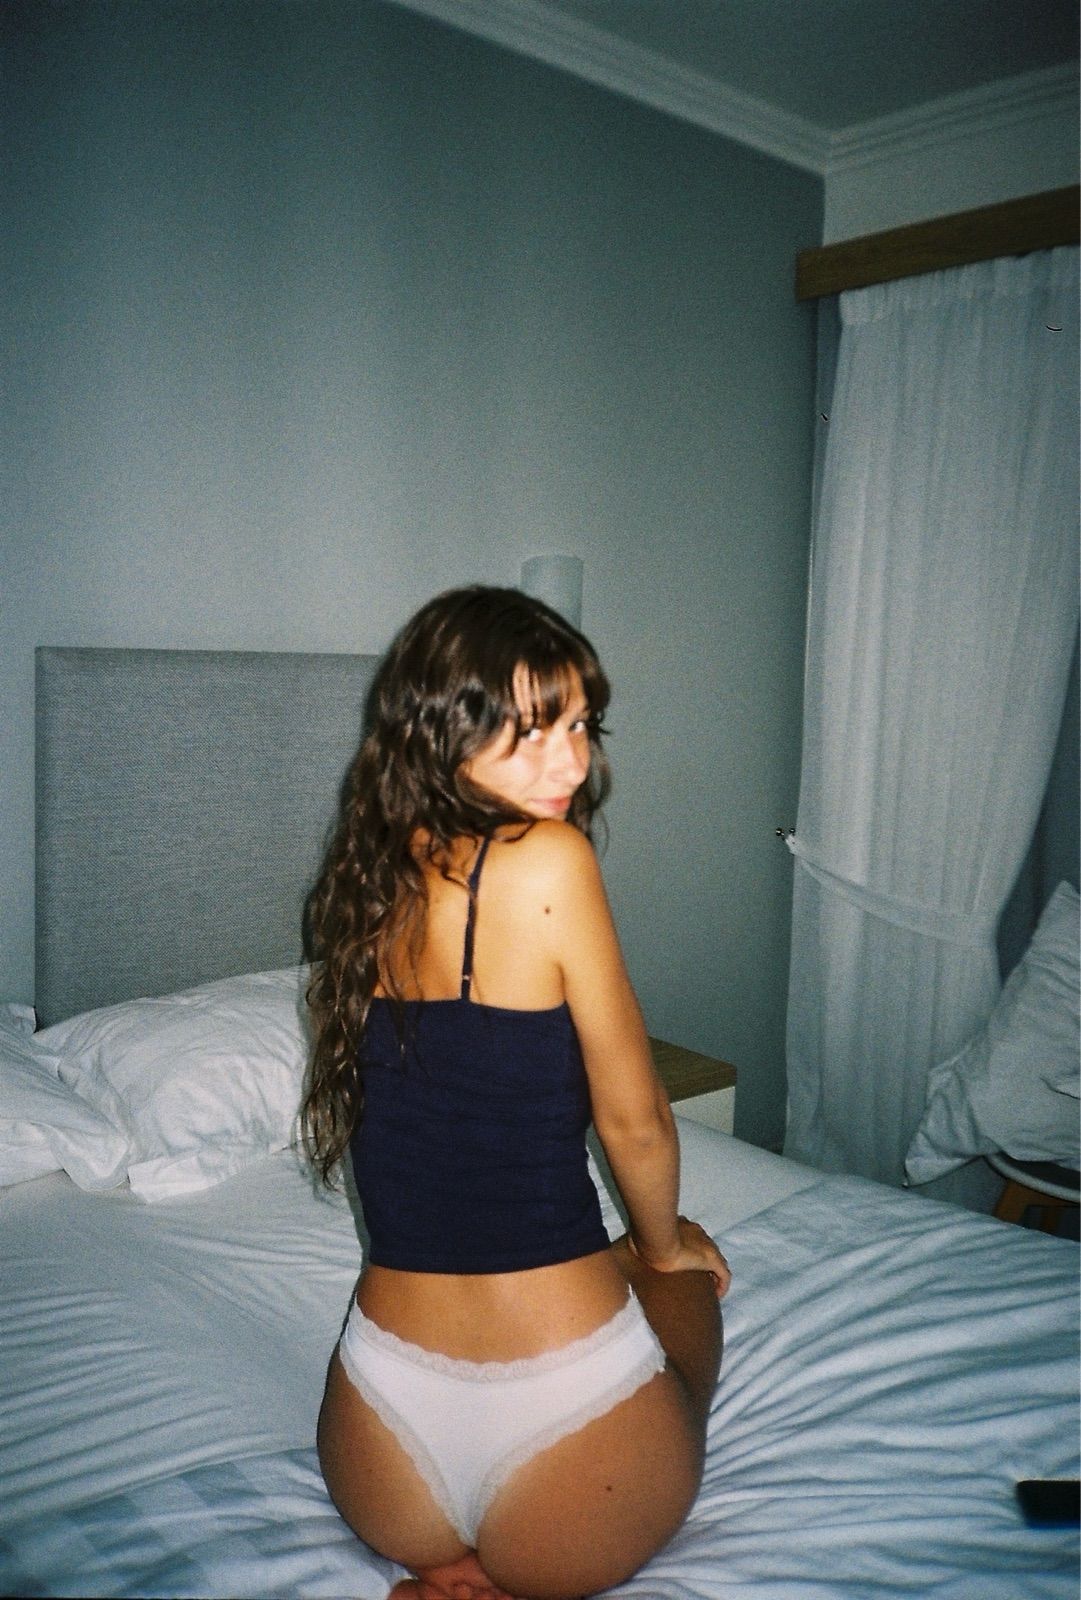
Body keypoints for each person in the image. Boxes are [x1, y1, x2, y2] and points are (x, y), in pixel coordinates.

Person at [302, 586, 729, 1600]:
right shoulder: (550, 859)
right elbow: (636, 1119)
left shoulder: (367, 874)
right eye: (531, 733)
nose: (569, 765)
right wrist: (661, 1247)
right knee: (686, 1276)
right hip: (569, 1442)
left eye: (579, 726)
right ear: (441, 733)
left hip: (378, 1453)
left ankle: (448, 1566)